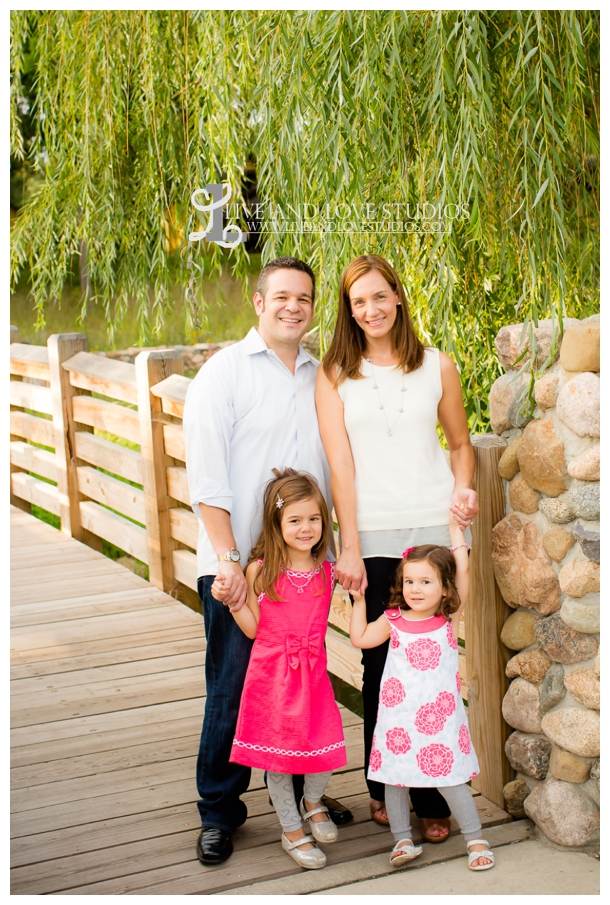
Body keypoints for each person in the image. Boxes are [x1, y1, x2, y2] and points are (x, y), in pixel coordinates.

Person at [183, 257, 352, 867]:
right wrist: (229, 560)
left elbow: (337, 464)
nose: (294, 307)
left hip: (304, 566)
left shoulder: (322, 375)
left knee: (301, 689)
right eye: (282, 296)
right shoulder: (222, 375)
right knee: (233, 688)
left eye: (304, 298)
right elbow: (206, 478)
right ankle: (220, 810)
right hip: (241, 571)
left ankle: (305, 792)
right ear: (258, 302)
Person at [315, 253, 479, 839]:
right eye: (359, 302)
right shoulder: (335, 372)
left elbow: (460, 445)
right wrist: (350, 546)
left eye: (379, 296)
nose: (371, 309)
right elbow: (339, 467)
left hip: (435, 531)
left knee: (432, 667)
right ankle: (386, 787)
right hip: (376, 534)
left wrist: (463, 492)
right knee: (382, 664)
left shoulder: (438, 365)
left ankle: (434, 794)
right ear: (349, 311)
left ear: (398, 298)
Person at [213, 469, 346, 870]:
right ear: (277, 523)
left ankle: (312, 801)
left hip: (313, 675)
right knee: (278, 760)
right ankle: (291, 829)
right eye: (295, 520)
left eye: (314, 519)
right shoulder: (262, 569)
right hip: (272, 676)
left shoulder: (328, 571)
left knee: (325, 747)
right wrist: (233, 601)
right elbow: (254, 628)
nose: (306, 528)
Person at [349, 509, 495, 871]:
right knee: (395, 780)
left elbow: (463, 568)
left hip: (440, 722)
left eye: (426, 582)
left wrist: (454, 530)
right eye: (410, 581)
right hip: (398, 721)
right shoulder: (392, 619)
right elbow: (360, 639)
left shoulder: (446, 619)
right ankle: (401, 840)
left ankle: (475, 838)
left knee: (450, 780)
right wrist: (358, 603)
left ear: (445, 588)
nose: (416, 589)